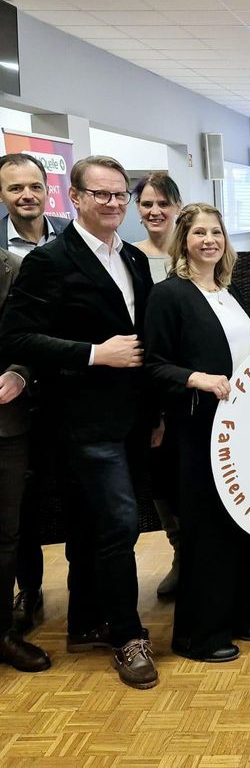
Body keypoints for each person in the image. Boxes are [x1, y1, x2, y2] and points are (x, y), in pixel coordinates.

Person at [0, 155, 157, 689]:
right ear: (76, 198)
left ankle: (87, 621)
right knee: (119, 524)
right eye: (101, 194)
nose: (113, 203)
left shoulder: (132, 257)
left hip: (131, 416)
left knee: (96, 527)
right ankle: (128, 638)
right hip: (82, 421)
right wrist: (93, 354)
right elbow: (16, 337)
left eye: (119, 195)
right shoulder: (50, 260)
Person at [145, 203, 250, 662]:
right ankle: (198, 634)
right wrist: (194, 377)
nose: (209, 240)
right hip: (199, 429)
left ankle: (240, 614)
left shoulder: (226, 291)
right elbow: (152, 365)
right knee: (208, 529)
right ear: (184, 241)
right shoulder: (169, 295)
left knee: (245, 523)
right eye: (199, 233)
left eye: (216, 232)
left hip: (241, 427)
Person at [0, 152, 69, 634]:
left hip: (68, 388)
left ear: (48, 189)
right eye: (14, 188)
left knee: (71, 493)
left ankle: (85, 600)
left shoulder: (72, 237)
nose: (26, 195)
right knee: (17, 504)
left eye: (34, 186)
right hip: (13, 397)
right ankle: (29, 590)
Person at [132, 173, 183, 597]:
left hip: (194, 386)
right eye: (147, 203)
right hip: (149, 384)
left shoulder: (196, 254)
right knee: (162, 477)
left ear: (177, 208)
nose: (155, 211)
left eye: (163, 203)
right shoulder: (129, 258)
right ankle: (180, 552)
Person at [0, 245, 50, 673]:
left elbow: (35, 336)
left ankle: (3, 633)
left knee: (6, 535)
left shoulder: (16, 268)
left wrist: (20, 373)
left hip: (7, 422)